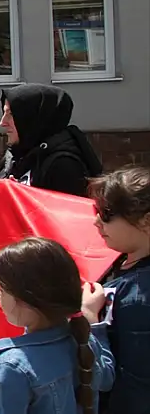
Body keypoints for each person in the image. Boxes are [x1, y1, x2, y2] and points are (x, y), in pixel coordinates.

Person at [0, 237, 114, 413]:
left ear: (28, 301)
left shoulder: (12, 367)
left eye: (2, 290)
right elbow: (107, 377)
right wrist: (93, 321)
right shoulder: (83, 340)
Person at [89, 166, 150, 413]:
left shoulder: (140, 297)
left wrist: (89, 318)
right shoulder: (122, 261)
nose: (96, 221)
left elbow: (134, 384)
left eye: (107, 213)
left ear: (146, 220)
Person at [0, 84, 103, 196]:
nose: (2, 123)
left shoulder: (63, 166)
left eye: (11, 114)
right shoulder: (15, 155)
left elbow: (63, 211)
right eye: (4, 113)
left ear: (34, 118)